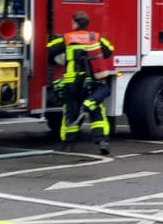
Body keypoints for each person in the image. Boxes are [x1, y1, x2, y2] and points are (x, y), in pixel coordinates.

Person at [47, 11, 115, 152]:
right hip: (91, 81)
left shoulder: (67, 37)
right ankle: (102, 142)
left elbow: (49, 49)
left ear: (76, 23)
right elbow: (109, 50)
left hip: (72, 81)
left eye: (72, 22)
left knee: (71, 112)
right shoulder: (95, 37)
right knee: (97, 111)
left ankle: (68, 144)